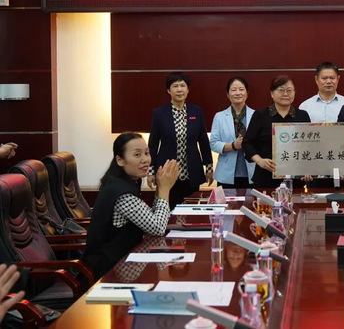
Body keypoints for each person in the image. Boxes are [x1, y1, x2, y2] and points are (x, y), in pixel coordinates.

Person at [83, 132, 179, 279]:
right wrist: (165, 189)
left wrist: (161, 188)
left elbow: (150, 220)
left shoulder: (126, 182)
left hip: (128, 259)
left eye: (147, 153)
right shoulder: (122, 194)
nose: (145, 159)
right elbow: (158, 228)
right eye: (137, 155)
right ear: (120, 160)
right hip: (110, 272)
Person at [147, 72, 213, 208]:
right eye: (175, 86)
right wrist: (151, 172)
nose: (179, 89)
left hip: (192, 171)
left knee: (191, 208)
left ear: (188, 90)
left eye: (182, 86)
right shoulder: (159, 113)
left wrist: (209, 168)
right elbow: (153, 145)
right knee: (167, 208)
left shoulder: (197, 112)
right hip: (167, 171)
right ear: (168, 90)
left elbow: (203, 142)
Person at [243, 75, 311, 188]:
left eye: (289, 90)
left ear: (294, 93)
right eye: (281, 90)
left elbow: (309, 145)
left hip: (295, 179)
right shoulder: (260, 115)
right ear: (272, 93)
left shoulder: (302, 116)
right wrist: (259, 160)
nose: (285, 94)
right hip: (265, 177)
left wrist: (308, 169)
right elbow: (247, 143)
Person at [210, 77, 256, 188]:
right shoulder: (219, 117)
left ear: (247, 93)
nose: (238, 93)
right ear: (228, 94)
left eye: (241, 89)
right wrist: (233, 145)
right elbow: (213, 143)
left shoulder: (256, 115)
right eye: (234, 90)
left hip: (252, 172)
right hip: (226, 174)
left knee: (251, 199)